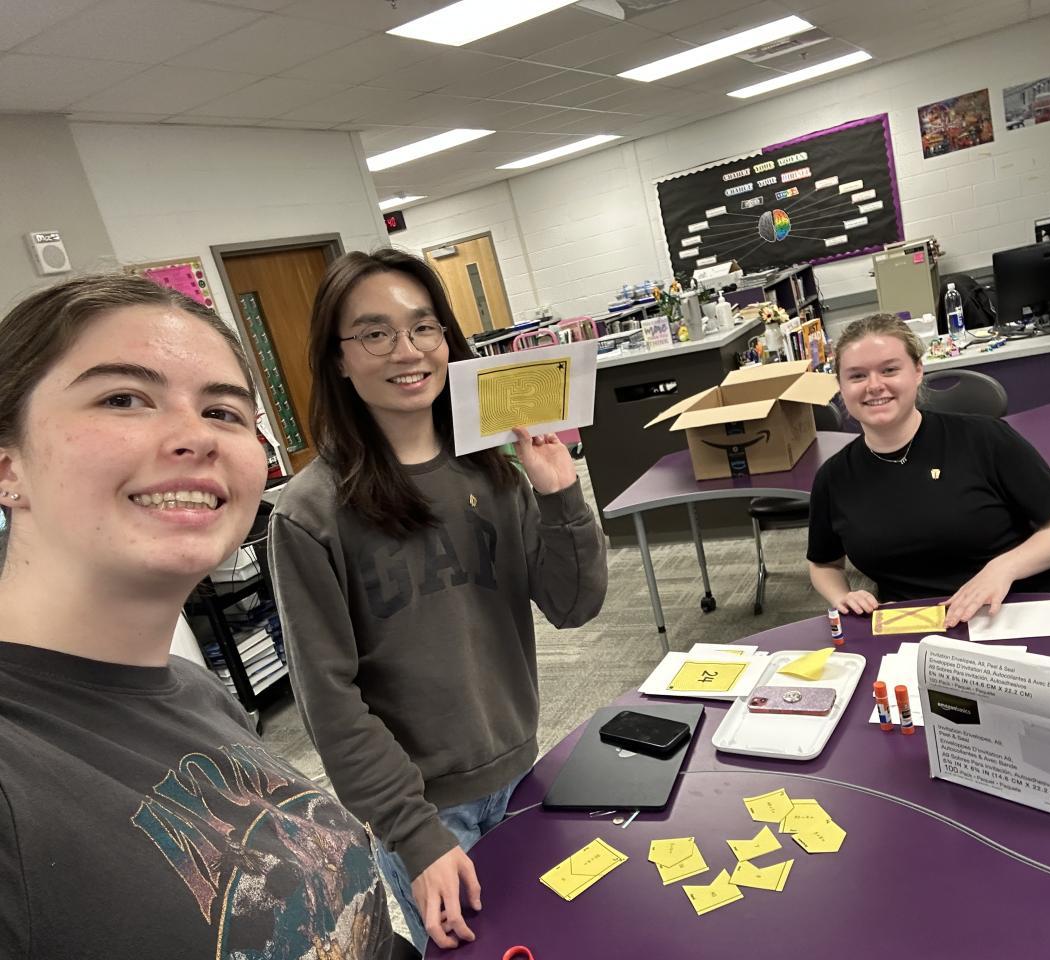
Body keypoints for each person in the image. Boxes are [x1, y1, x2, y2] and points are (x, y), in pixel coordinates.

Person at [0, 275, 396, 960]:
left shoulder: (195, 689)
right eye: (123, 398)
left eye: (223, 411)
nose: (196, 436)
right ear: (7, 466)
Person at [269, 249, 607, 952]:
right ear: (338, 359)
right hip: (424, 813)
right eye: (375, 333)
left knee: (557, 939)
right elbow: (330, 701)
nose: (408, 351)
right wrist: (413, 833)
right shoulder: (310, 513)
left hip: (522, 771)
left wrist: (559, 495)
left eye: (424, 328)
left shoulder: (493, 471)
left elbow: (574, 606)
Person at [808, 313, 1050, 628]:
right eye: (857, 376)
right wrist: (842, 596)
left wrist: (1003, 568)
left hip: (1018, 608)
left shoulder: (984, 438)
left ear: (917, 371)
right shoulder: (834, 478)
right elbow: (824, 564)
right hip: (917, 627)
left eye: (889, 370)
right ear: (841, 386)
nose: (874, 386)